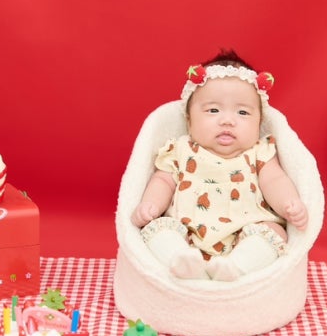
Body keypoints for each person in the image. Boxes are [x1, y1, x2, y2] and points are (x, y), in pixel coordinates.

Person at [131, 49, 308, 281]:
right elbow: (163, 180)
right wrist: (151, 205)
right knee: (159, 229)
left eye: (243, 112)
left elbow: (275, 180)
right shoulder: (180, 149)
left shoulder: (259, 152)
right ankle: (182, 263)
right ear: (189, 120)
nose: (227, 120)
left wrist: (289, 203)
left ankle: (236, 267)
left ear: (259, 123)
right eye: (213, 110)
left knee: (273, 233)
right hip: (186, 233)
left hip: (245, 232)